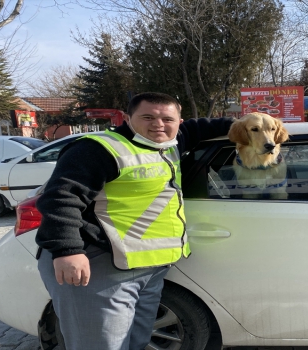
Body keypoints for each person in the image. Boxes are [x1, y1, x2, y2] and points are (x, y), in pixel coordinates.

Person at [35, 92, 233, 350]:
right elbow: (61, 198)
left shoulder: (171, 142)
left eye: (167, 119)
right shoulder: (99, 148)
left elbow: (202, 127)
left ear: (179, 121)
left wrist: (254, 121)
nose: (158, 124)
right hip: (98, 264)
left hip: (149, 267)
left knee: (136, 342)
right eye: (148, 117)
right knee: (101, 345)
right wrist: (67, 250)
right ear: (128, 119)